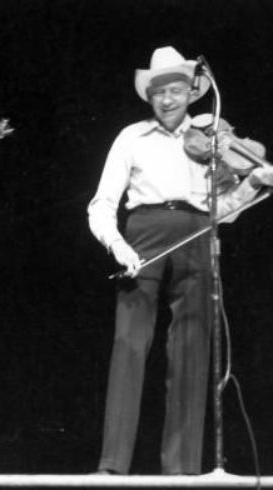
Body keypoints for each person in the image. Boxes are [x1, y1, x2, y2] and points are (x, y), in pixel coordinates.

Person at [87, 46, 273, 475]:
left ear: (192, 93)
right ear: (149, 97)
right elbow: (102, 203)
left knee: (191, 348)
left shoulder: (212, 139)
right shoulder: (131, 136)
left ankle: (183, 471)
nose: (167, 99)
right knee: (129, 344)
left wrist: (252, 185)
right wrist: (117, 244)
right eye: (159, 93)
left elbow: (222, 210)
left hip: (196, 233)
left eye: (175, 90)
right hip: (143, 232)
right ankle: (112, 465)